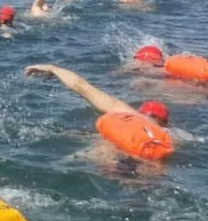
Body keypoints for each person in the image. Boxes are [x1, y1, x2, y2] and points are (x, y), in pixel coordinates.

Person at [24, 64, 173, 157]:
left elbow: (81, 86)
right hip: (150, 163)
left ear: (140, 112)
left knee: (101, 147)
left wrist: (53, 68)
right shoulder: (168, 135)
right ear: (165, 123)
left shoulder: (126, 113)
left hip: (111, 156)